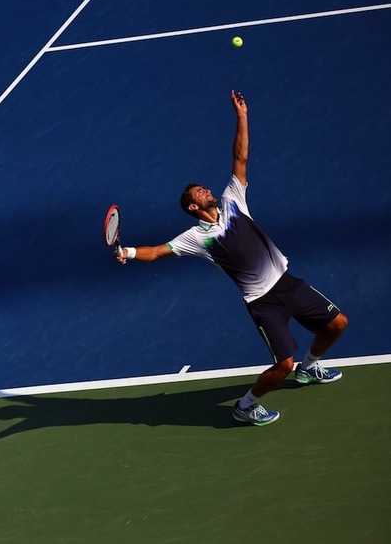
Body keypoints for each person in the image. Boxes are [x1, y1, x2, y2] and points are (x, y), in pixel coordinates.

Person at [114, 90, 348, 426]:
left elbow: (240, 158)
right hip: (263, 302)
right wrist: (128, 252)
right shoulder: (197, 237)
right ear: (193, 207)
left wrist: (242, 115)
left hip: (288, 283)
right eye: (200, 194)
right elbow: (157, 252)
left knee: (338, 324)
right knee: (283, 366)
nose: (208, 191)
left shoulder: (233, 200)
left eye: (205, 189)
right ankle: (246, 405)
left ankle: (310, 368)